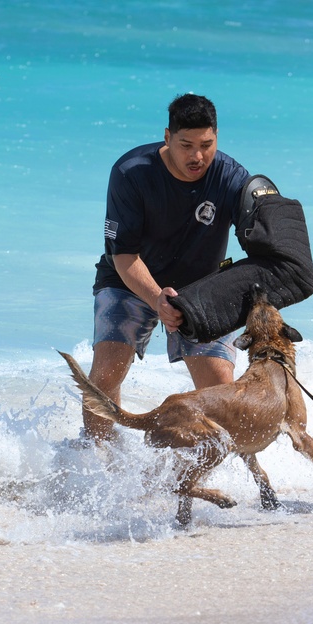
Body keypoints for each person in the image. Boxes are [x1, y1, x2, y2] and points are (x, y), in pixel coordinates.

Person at [83, 94, 250, 444]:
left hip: (201, 287)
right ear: (167, 137)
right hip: (129, 279)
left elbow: (264, 238)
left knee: (225, 396)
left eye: (207, 145)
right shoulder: (131, 173)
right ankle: (100, 464)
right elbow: (124, 255)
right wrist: (157, 297)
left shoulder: (231, 177)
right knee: (104, 376)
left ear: (217, 137)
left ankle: (201, 474)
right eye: (186, 145)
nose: (198, 156)